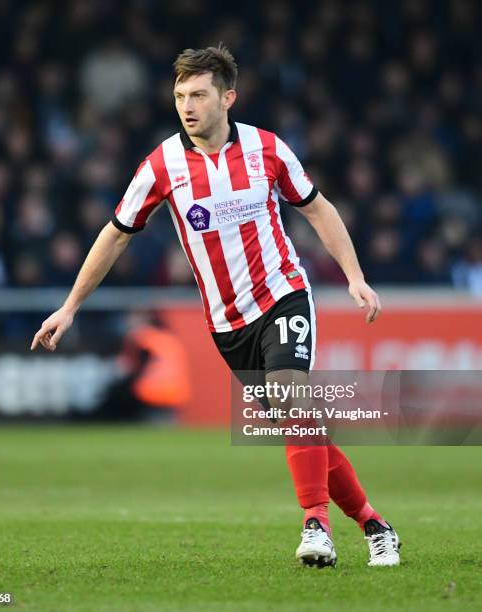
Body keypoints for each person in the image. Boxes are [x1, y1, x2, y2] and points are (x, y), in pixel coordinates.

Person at [31, 45, 400, 568]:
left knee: (292, 395)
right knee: (301, 427)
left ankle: (315, 525)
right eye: (180, 95)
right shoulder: (163, 164)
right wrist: (69, 307)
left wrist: (355, 277)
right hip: (228, 324)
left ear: (228, 97)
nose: (187, 105)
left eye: (199, 94)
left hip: (282, 294)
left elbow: (317, 209)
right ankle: (374, 525)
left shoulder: (267, 149)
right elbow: (116, 235)